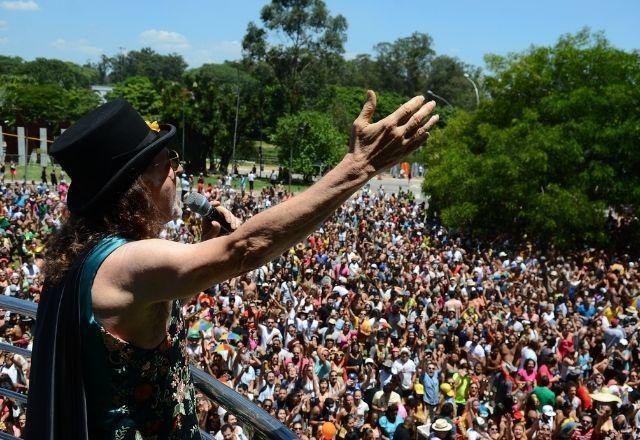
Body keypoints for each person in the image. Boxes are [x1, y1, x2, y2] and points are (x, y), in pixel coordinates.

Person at [26, 94, 438, 438]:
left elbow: (146, 308)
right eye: (169, 159)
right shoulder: (131, 261)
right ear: (142, 180)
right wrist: (359, 166)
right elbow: (247, 246)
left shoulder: (91, 254)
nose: (179, 169)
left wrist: (205, 250)